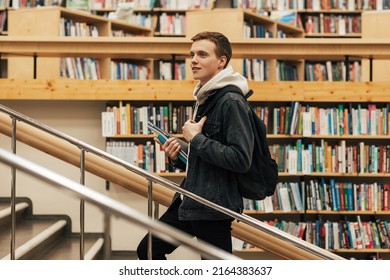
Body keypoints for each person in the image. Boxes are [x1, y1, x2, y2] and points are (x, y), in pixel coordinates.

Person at [137, 31, 254, 260]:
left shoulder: (231, 101)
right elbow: (207, 154)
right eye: (192, 54)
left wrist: (196, 139)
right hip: (191, 197)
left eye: (202, 54)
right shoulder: (206, 97)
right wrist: (178, 151)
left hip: (211, 205)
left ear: (221, 61)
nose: (193, 60)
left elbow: (241, 158)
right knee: (149, 250)